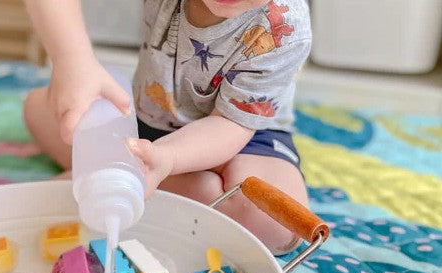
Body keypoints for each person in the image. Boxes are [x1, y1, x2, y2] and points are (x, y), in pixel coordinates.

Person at [23, 0, 311, 255]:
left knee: (277, 226)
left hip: (242, 132)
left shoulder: (285, 28)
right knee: (38, 112)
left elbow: (229, 125)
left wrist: (168, 158)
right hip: (149, 117)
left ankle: (122, 175)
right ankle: (142, 177)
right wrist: (72, 62)